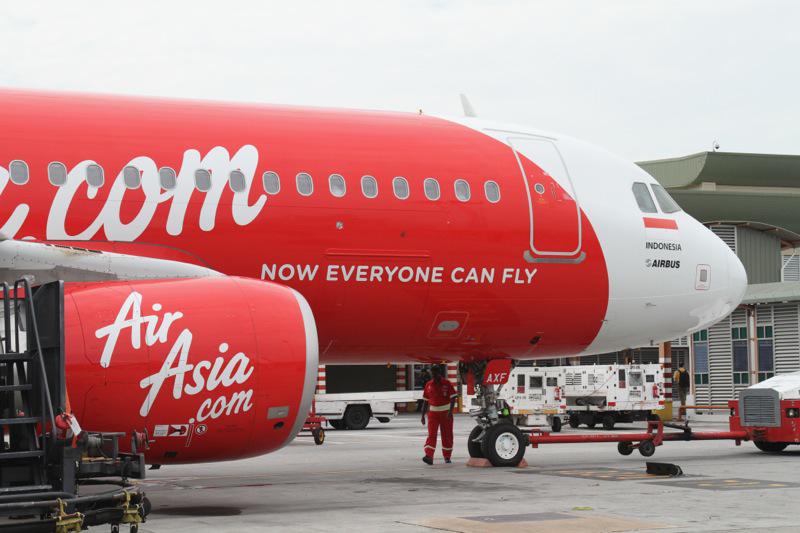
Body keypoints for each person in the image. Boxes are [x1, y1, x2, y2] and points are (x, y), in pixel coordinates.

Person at [420, 365, 458, 465]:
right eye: (432, 373)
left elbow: (453, 397)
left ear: (439, 373)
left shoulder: (446, 383)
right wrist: (423, 415)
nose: (433, 375)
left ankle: (447, 456)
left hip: (446, 413)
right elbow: (425, 401)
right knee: (431, 435)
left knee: (447, 435)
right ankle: (429, 456)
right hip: (432, 414)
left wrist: (450, 411)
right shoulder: (428, 384)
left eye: (435, 373)